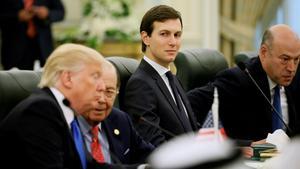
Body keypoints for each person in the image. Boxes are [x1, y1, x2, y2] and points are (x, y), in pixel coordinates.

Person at [0, 43, 128, 169]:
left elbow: (87, 165)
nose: (102, 87)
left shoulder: (67, 111)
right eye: (95, 76)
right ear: (68, 78)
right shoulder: (41, 110)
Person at [188, 24, 300, 147]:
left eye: (296, 59)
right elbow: (187, 106)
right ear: (264, 53)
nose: (291, 68)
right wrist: (247, 145)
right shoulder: (238, 80)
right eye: (285, 59)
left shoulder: (294, 79)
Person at [122, 5, 198, 146]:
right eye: (164, 34)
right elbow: (153, 144)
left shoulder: (172, 78)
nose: (173, 42)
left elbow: (192, 132)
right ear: (146, 38)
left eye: (177, 35)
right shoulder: (140, 84)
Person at [77, 60, 155, 165]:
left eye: (109, 92)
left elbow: (150, 155)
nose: (102, 99)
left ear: (117, 92)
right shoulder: (67, 125)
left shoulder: (120, 119)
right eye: (96, 91)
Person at [0, 0, 65, 70]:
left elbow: (60, 12)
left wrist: (48, 13)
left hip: (43, 48)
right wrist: (16, 16)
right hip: (14, 49)